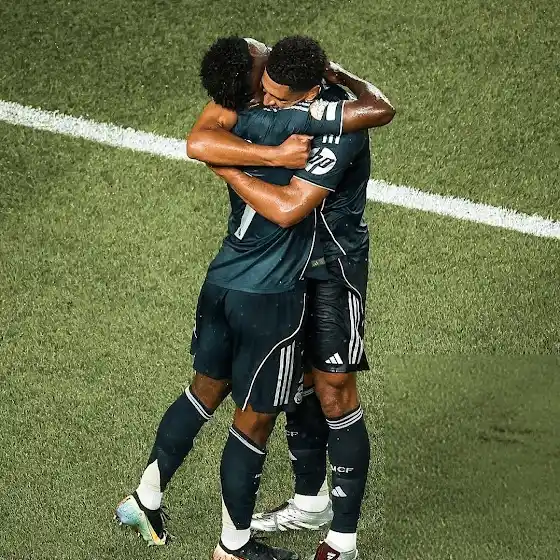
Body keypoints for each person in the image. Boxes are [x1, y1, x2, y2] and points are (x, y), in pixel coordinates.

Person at [115, 35, 393, 560]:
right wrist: (267, 154)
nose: (262, 101)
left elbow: (212, 150)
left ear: (306, 90)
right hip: (273, 286)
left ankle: (340, 540)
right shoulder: (265, 104)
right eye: (260, 90)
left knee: (331, 388)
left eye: (275, 96)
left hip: (329, 269)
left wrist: (228, 163)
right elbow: (375, 111)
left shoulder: (329, 123)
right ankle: (249, 535)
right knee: (252, 408)